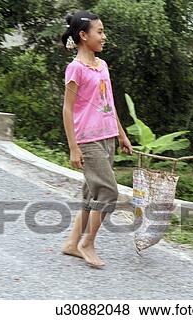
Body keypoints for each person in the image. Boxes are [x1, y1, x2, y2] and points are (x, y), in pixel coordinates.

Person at [60, 11, 132, 268]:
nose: (104, 36)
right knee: (108, 191)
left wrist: (121, 134)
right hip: (87, 140)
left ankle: (71, 244)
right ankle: (88, 242)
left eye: (103, 31)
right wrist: (73, 147)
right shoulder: (75, 68)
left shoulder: (101, 66)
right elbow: (67, 108)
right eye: (99, 32)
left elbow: (108, 103)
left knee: (91, 193)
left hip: (107, 137)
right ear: (83, 35)